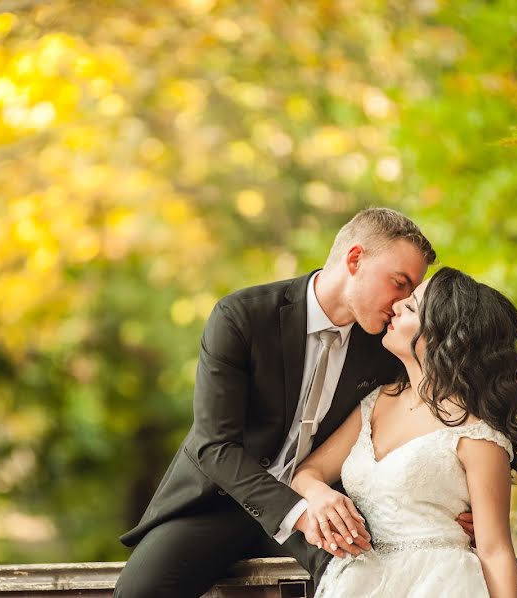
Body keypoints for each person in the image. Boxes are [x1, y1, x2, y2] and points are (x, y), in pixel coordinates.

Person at [114, 208, 443, 598]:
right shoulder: (242, 317)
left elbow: (417, 423)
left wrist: (449, 505)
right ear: (355, 260)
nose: (403, 302)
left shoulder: (386, 347)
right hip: (218, 500)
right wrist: (297, 511)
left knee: (366, 583)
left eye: (411, 291)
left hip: (326, 505)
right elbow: (213, 446)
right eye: (399, 283)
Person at [293, 267, 517, 598]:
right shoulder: (375, 403)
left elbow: (495, 551)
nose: (395, 306)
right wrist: (319, 494)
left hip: (439, 584)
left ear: (443, 337)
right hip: (361, 583)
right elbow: (306, 473)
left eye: (409, 307)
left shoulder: (477, 432)